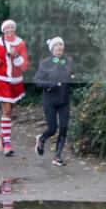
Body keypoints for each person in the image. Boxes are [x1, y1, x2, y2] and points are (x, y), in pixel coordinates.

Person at [0, 19, 28, 155]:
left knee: (10, 112)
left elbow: (24, 66)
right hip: (1, 81)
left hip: (16, 82)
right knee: (6, 111)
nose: (10, 30)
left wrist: (16, 55)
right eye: (7, 28)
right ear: (3, 30)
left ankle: (1, 136)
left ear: (15, 29)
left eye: (12, 27)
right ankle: (7, 144)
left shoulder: (20, 43)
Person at [34, 36, 74, 166]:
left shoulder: (68, 61)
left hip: (64, 101)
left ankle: (57, 156)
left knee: (63, 128)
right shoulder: (45, 63)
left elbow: (72, 77)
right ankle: (41, 139)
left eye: (60, 45)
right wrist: (50, 84)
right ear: (52, 48)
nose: (59, 47)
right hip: (50, 101)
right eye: (56, 45)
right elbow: (37, 81)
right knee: (52, 129)